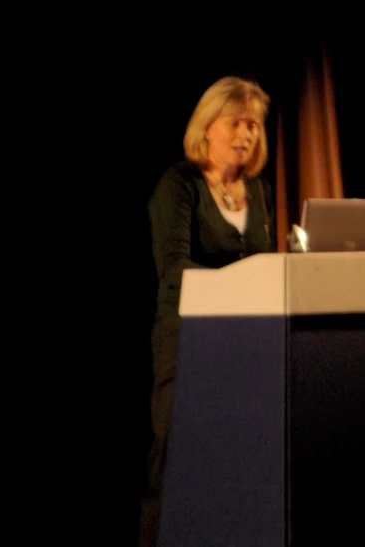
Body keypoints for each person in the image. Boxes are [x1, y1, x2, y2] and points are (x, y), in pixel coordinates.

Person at [139, 76, 276, 546]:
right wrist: (236, 287)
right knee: (177, 464)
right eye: (236, 123)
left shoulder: (258, 191)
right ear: (207, 126)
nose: (246, 135)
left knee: (237, 467)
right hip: (188, 341)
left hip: (247, 345)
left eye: (254, 125)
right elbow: (173, 270)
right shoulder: (178, 185)